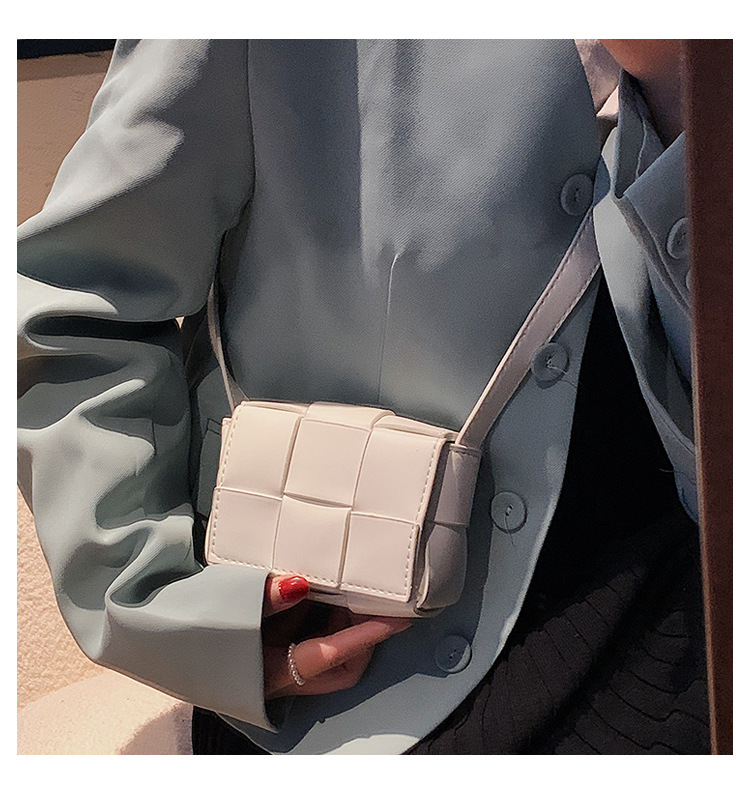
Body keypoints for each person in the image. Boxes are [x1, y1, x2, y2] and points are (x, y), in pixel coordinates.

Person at [17, 39, 708, 754]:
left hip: (689, 608)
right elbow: (77, 304)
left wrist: (678, 89)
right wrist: (163, 607)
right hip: (368, 677)